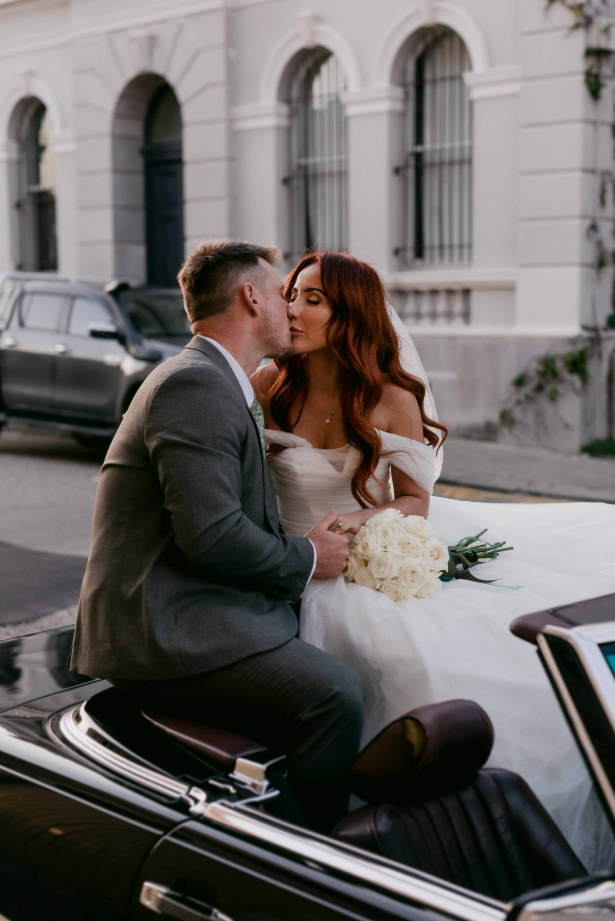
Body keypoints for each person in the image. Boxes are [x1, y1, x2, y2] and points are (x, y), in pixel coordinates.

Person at [251, 250, 615, 869]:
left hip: (357, 547)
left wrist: (350, 527)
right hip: (284, 555)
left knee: (421, 657)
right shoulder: (269, 384)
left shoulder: (391, 398)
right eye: (292, 294)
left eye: (313, 299)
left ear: (350, 315)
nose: (293, 309)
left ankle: (435, 833)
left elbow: (415, 500)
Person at [69, 239, 365, 832]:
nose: (289, 307)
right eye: (282, 292)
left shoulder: (218, 379)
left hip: (190, 606)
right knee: (336, 693)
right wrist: (309, 556)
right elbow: (211, 536)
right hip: (161, 626)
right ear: (250, 297)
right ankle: (318, 859)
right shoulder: (193, 385)